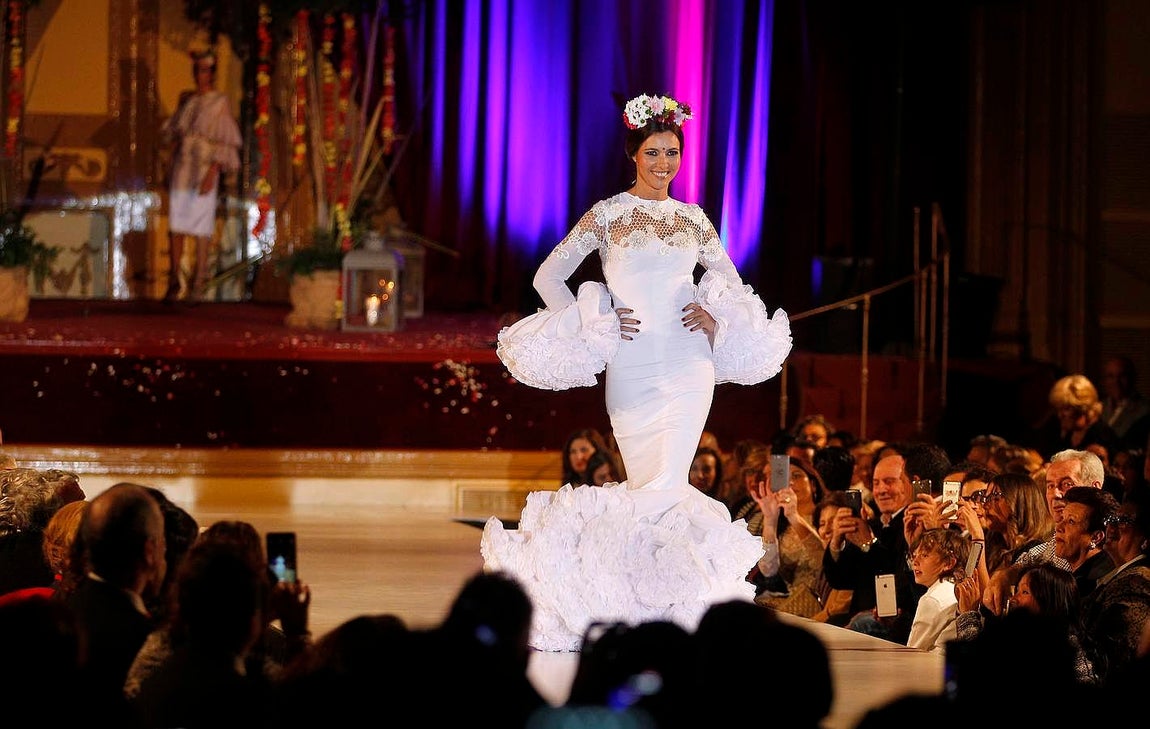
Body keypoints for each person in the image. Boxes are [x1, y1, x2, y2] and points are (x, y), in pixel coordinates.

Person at [483, 92, 792, 651]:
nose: (664, 164)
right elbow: (547, 279)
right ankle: (639, 600)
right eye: (654, 152)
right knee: (649, 483)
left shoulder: (694, 220)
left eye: (672, 153)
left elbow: (737, 286)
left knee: (670, 483)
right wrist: (591, 317)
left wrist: (716, 316)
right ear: (634, 153)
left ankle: (619, 590)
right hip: (630, 366)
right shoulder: (606, 215)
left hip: (687, 364)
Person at [161, 48, 242, 303]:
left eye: (205, 70)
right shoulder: (188, 100)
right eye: (197, 70)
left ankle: (199, 281)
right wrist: (168, 166)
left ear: (213, 74)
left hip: (205, 165)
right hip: (183, 165)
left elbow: (224, 140)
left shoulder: (219, 102)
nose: (200, 75)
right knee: (177, 224)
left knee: (201, 223)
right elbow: (175, 135)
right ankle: (174, 279)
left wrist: (213, 171)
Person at [1101, 356, 1150, 448]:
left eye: (1122, 376)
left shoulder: (1145, 410)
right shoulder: (1098, 407)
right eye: (1111, 376)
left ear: (1133, 378)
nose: (1116, 381)